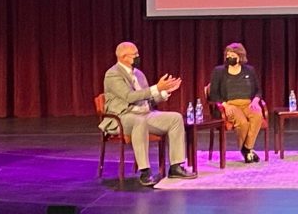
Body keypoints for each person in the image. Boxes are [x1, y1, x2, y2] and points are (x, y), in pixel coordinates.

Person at [100, 41, 197, 187]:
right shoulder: (112, 74)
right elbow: (129, 96)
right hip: (123, 117)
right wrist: (156, 87)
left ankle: (176, 166)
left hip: (145, 114)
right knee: (139, 121)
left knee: (175, 118)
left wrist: (164, 92)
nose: (138, 57)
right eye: (135, 55)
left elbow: (149, 99)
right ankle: (145, 171)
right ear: (123, 57)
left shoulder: (139, 74)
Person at [209, 42, 264, 163]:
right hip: (230, 104)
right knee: (243, 123)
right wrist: (224, 105)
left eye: (233, 55)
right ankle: (247, 151)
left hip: (248, 103)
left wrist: (256, 100)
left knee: (257, 115)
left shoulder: (249, 70)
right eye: (228, 55)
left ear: (240, 57)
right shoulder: (219, 71)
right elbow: (213, 94)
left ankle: (247, 148)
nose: (230, 58)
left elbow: (258, 90)